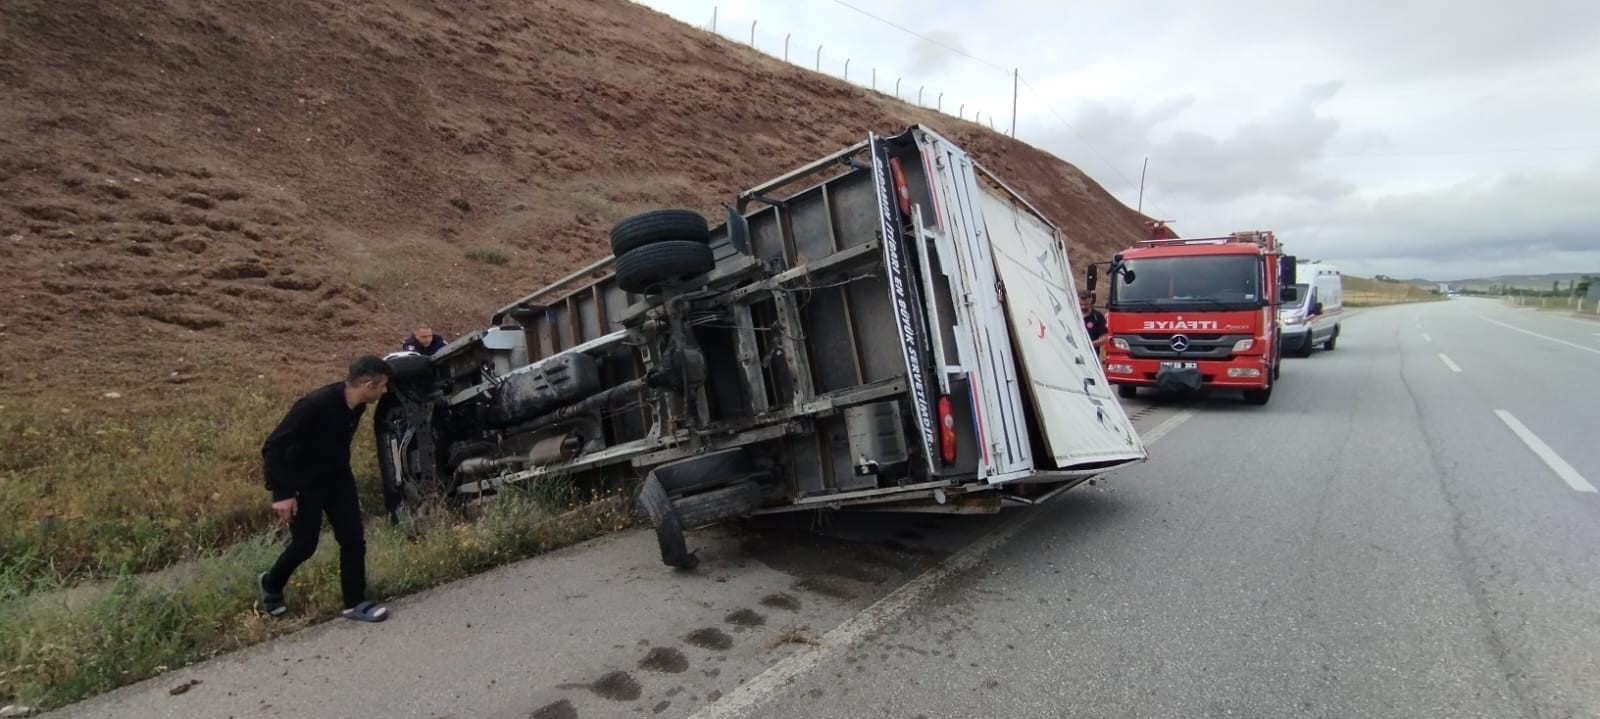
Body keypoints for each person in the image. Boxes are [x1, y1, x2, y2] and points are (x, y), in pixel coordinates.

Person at [257, 355, 394, 623]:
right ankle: (271, 584)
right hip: (303, 485)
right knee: (304, 545)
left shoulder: (357, 407)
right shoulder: (315, 405)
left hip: (339, 480)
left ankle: (355, 603)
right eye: (382, 386)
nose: (385, 391)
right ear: (368, 385)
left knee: (353, 539)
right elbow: (274, 445)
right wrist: (282, 493)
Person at [1080, 290, 1109, 358]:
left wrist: (1091, 344)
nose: (1083, 307)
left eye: (1086, 304)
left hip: (1092, 355)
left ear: (1091, 301)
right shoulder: (1073, 315)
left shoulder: (1097, 316)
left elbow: (1105, 338)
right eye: (1081, 304)